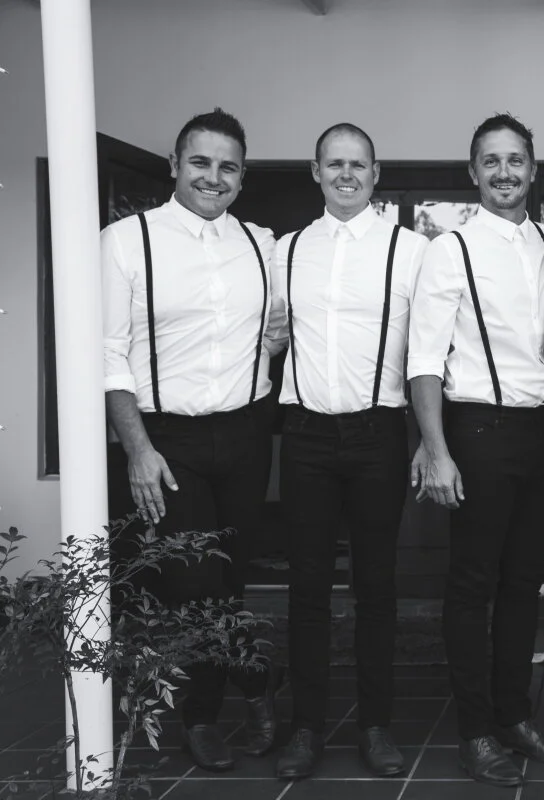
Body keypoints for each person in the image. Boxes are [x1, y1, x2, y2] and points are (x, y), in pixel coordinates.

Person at [408, 113, 544, 788]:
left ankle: (515, 715)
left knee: (524, 583)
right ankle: (476, 729)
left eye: (516, 161)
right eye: (492, 161)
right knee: (473, 583)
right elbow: (424, 359)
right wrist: (437, 449)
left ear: (533, 171)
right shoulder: (448, 249)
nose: (505, 172)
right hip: (478, 430)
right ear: (474, 172)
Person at [101, 108, 280, 772]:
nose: (213, 176)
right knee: (192, 581)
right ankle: (244, 692)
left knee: (231, 580)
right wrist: (137, 448)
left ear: (242, 176)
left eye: (227, 165)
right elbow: (108, 352)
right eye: (200, 162)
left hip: (245, 432)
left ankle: (212, 705)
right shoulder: (125, 240)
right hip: (165, 440)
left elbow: (287, 324)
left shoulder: (262, 245)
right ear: (174, 165)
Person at [271, 123, 427, 780]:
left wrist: (430, 441)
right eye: (333, 164)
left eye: (356, 165)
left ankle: (375, 724)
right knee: (305, 588)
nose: (345, 174)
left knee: (376, 587)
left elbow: (429, 350)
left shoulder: (412, 249)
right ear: (315, 171)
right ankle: (305, 727)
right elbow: (270, 340)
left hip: (379, 434)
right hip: (304, 433)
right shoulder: (284, 250)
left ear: (375, 172)